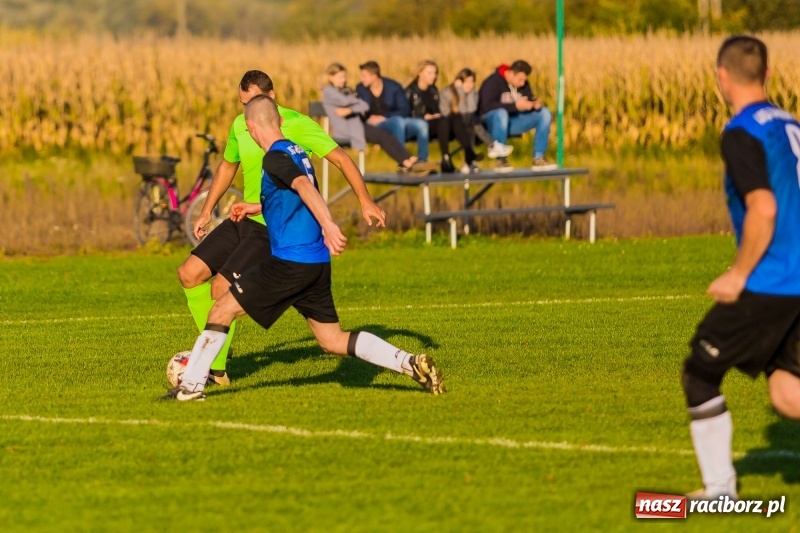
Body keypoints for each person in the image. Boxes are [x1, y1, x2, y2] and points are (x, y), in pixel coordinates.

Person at [163, 95, 445, 401]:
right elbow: (293, 195)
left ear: (251, 127)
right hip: (315, 264)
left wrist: (329, 224)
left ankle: (190, 388)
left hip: (289, 263)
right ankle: (409, 362)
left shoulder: (274, 157)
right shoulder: (296, 151)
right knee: (332, 340)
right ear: (279, 120)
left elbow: (303, 187)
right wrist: (257, 206)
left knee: (221, 308)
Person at [176, 70, 385, 386]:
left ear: (271, 97)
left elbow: (341, 159)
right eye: (243, 103)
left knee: (220, 289)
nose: (247, 111)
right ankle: (214, 357)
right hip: (241, 218)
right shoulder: (241, 124)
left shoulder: (298, 125)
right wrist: (206, 210)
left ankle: (214, 370)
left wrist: (365, 200)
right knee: (189, 273)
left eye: (253, 102)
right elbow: (228, 165)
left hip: (270, 227)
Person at [681, 35, 800, 499]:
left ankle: (719, 492)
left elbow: (763, 208)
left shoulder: (741, 132)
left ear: (722, 77)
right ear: (767, 74)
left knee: (700, 371)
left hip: (773, 279)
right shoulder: (791, 123)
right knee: (787, 392)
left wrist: (738, 273)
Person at [321, 63, 436, 176]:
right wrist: (354, 105)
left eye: (344, 76)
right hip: (347, 129)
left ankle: (409, 159)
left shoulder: (344, 90)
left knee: (385, 136)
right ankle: (407, 162)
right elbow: (349, 102)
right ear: (330, 77)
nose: (344, 80)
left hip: (356, 126)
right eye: (340, 77)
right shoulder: (329, 91)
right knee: (382, 136)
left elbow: (363, 105)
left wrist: (349, 109)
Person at [405, 60, 484, 173]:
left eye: (435, 73)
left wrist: (437, 113)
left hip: (436, 123)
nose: (433, 76)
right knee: (447, 120)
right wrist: (422, 117)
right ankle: (462, 155)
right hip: (420, 124)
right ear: (420, 73)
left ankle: (452, 157)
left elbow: (440, 109)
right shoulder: (410, 91)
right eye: (430, 73)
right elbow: (405, 113)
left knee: (453, 117)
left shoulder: (434, 90)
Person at [478, 60, 557, 172]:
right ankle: (500, 160)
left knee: (544, 113)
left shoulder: (523, 85)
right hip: (490, 124)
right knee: (501, 114)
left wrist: (533, 104)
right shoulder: (492, 82)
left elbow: (529, 97)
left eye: (524, 80)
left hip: (512, 122)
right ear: (510, 73)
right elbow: (486, 107)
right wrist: (515, 106)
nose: (522, 83)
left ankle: (539, 158)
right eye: (520, 80)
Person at [355, 60, 433, 165]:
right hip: (375, 126)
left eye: (364, 76)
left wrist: (385, 117)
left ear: (374, 76)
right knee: (398, 122)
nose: (361, 79)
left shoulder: (394, 87)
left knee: (422, 124)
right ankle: (403, 162)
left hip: (393, 120)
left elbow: (404, 109)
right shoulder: (360, 89)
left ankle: (422, 161)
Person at [440, 67, 513, 174]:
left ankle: (470, 163)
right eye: (467, 81)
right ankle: (491, 146)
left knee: (472, 123)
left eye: (472, 82)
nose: (470, 85)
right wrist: (460, 91)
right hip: (451, 124)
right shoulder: (448, 92)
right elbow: (453, 112)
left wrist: (469, 93)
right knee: (472, 121)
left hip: (467, 122)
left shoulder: (473, 93)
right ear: (459, 81)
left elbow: (471, 109)